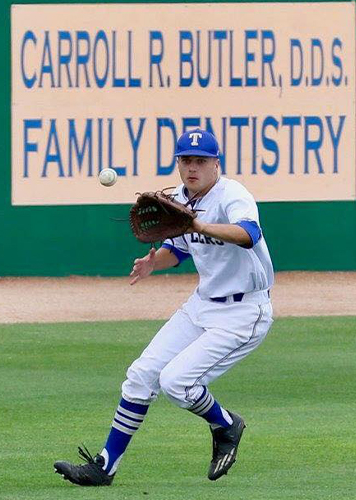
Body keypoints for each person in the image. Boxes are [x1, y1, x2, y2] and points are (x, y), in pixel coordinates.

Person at [54, 129, 274, 486]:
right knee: (141, 375)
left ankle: (226, 424)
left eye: (201, 160)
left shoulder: (233, 195)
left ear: (216, 164)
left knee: (176, 383)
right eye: (186, 160)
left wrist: (200, 223)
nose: (193, 167)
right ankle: (104, 467)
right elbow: (184, 249)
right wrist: (155, 263)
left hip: (244, 312)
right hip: (201, 304)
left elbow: (249, 234)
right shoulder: (177, 199)